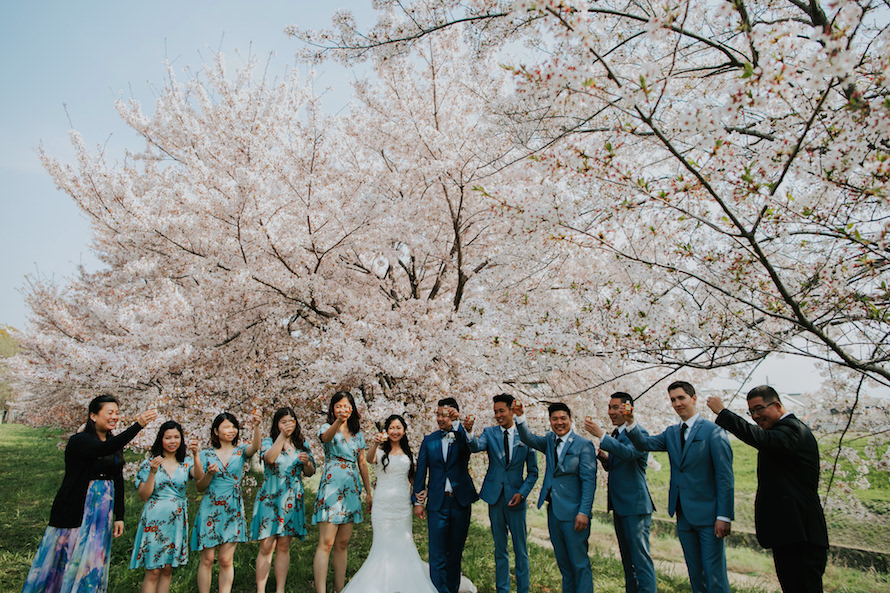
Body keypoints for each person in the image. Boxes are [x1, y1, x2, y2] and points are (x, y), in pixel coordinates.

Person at [22, 394, 157, 593]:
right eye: (109, 413)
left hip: (103, 509)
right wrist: (138, 425)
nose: (115, 417)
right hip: (76, 507)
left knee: (93, 557)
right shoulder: (80, 440)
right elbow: (102, 449)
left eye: (117, 413)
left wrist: (119, 515)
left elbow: (117, 479)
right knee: (67, 556)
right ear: (93, 416)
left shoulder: (113, 442)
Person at [707, 386, 829, 593]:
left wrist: (724, 413)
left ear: (778, 405)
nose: (755, 416)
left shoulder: (792, 430)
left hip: (802, 533)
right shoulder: (781, 433)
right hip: (790, 532)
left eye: (759, 409)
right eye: (751, 412)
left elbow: (762, 439)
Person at [625, 380, 734, 593]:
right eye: (673, 400)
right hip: (683, 514)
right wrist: (630, 422)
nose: (677, 403)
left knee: (715, 575)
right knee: (695, 573)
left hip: (709, 516)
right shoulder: (672, 432)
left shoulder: (713, 432)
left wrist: (724, 516)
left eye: (681, 398)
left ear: (693, 399)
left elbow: (725, 477)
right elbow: (644, 444)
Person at [340, 414, 439, 593]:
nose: (395, 431)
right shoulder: (380, 451)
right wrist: (375, 443)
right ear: (386, 430)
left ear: (404, 430)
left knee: (404, 541)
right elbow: (369, 459)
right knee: (382, 544)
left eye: (398, 428)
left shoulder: (409, 453)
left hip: (402, 505)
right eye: (392, 428)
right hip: (383, 504)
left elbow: (413, 479)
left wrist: (420, 496)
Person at [512, 399, 597, 593]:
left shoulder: (584, 445)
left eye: (563, 418)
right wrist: (520, 416)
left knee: (580, 564)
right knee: (565, 567)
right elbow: (527, 438)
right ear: (550, 421)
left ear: (570, 419)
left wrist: (584, 511)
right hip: (554, 513)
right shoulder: (549, 441)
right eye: (554, 419)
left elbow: (589, 482)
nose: (559, 423)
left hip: (575, 513)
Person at [464, 393, 538, 593]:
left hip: (516, 498)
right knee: (500, 548)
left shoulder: (526, 436)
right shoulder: (490, 432)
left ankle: (523, 589)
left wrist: (522, 493)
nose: (497, 415)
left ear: (512, 411)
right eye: (495, 411)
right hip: (495, 497)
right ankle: (502, 589)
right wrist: (469, 432)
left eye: (501, 411)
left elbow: (533, 472)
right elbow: (475, 447)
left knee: (521, 549)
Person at [583, 392, 656, 593]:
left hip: (635, 506)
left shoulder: (639, 433)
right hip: (619, 505)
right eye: (609, 407)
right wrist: (603, 458)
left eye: (616, 407)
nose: (611, 412)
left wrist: (601, 435)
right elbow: (618, 464)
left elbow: (630, 454)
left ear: (628, 409)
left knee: (640, 559)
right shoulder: (616, 435)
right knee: (627, 561)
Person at [191, 410, 263, 593]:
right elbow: (200, 486)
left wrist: (256, 426)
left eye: (233, 427)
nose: (231, 430)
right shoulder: (207, 454)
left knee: (225, 560)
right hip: (210, 507)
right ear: (216, 431)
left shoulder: (240, 451)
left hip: (232, 509)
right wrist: (209, 474)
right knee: (207, 559)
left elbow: (255, 447)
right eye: (226, 426)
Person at [413, 397, 479, 593]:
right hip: (437, 503)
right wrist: (417, 501)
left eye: (445, 415)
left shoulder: (462, 436)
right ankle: (438, 590)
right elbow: (421, 472)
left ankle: (452, 588)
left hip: (460, 502)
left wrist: (459, 424)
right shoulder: (429, 440)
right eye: (438, 414)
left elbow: (470, 445)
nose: (440, 419)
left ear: (453, 415)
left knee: (455, 551)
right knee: (437, 553)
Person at [129, 420, 204, 593]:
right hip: (155, 517)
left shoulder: (185, 463)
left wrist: (196, 455)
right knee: (153, 569)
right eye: (168, 437)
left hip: (176, 519)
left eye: (176, 437)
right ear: (160, 440)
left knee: (167, 568)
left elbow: (199, 477)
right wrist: (153, 473)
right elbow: (143, 495)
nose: (172, 441)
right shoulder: (150, 464)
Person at [250, 407, 316, 593]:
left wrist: (307, 463)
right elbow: (269, 459)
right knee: (266, 544)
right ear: (277, 424)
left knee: (284, 544)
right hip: (270, 497)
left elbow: (310, 472)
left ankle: (280, 589)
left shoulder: (302, 444)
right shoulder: (269, 442)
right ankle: (260, 590)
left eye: (291, 421)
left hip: (291, 499)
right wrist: (282, 437)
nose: (288, 424)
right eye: (284, 421)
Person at [312, 391, 372, 593]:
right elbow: (327, 438)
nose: (342, 409)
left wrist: (368, 492)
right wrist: (338, 421)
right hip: (331, 487)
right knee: (326, 543)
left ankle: (340, 588)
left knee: (343, 543)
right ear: (333, 409)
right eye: (338, 406)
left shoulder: (357, 434)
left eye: (346, 406)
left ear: (352, 409)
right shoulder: (326, 428)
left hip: (352, 489)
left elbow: (362, 464)